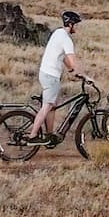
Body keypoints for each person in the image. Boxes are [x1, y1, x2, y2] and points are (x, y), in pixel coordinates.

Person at [26, 10, 82, 146]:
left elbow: (62, 57)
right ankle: (33, 136)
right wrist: (84, 75)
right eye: (76, 24)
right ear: (70, 24)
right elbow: (72, 59)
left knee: (52, 105)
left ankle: (49, 136)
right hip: (51, 76)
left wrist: (71, 70)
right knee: (47, 106)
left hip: (46, 73)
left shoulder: (58, 33)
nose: (77, 27)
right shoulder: (66, 40)